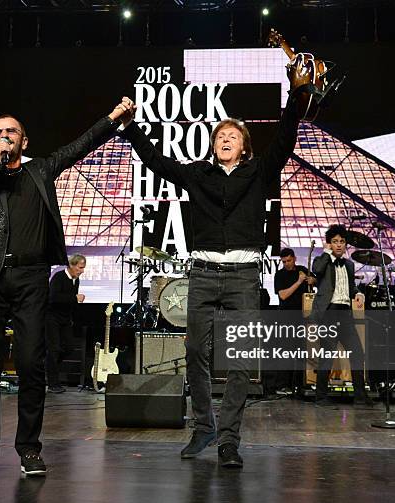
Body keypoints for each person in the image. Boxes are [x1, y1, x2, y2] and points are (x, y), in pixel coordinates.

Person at [119, 68, 306, 468]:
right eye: (220, 135)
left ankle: (229, 439)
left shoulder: (258, 171)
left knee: (240, 359)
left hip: (243, 276)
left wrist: (296, 94)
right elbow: (154, 160)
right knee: (194, 351)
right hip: (202, 273)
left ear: (245, 147)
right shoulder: (197, 174)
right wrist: (131, 126)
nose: (225, 138)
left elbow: (286, 139)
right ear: (212, 143)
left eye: (233, 135)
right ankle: (203, 426)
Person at [0, 100, 131, 479]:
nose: (5, 137)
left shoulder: (40, 170)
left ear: (24, 139)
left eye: (12, 132)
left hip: (31, 279)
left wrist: (113, 119)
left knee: (31, 365)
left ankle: (29, 449)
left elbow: (80, 145)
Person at [311, 224, 373, 408]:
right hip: (329, 312)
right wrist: (327, 252)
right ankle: (320, 397)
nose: (339, 245)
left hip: (345, 312)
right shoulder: (323, 260)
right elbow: (317, 270)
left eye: (342, 242)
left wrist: (358, 293)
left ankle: (360, 396)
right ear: (330, 243)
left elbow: (349, 286)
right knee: (327, 356)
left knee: (357, 354)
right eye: (335, 242)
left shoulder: (349, 264)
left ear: (346, 244)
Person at [270, 247, 316, 393]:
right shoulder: (280, 275)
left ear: (294, 258)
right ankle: (283, 385)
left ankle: (300, 384)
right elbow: (283, 295)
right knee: (286, 351)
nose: (287, 264)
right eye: (284, 262)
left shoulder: (302, 269)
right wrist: (298, 282)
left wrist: (311, 279)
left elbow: (315, 281)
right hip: (286, 317)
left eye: (289, 260)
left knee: (302, 351)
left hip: (303, 316)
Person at [45, 254, 86, 393]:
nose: (82, 270)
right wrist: (74, 298)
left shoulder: (76, 280)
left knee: (69, 348)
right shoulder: (59, 277)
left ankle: (50, 366)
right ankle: (52, 383)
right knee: (54, 349)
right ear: (72, 266)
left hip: (65, 319)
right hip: (52, 318)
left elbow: (69, 302)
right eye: (80, 267)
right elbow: (53, 298)